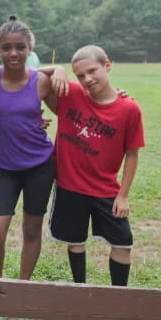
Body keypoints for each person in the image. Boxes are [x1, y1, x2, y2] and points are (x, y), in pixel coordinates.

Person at [46, 45, 144, 286]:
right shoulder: (71, 94)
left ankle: (118, 296)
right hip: (70, 186)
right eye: (80, 75)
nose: (87, 79)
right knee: (75, 241)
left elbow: (132, 155)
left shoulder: (129, 108)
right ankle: (81, 289)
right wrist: (55, 69)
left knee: (123, 243)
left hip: (106, 190)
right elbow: (30, 76)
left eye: (92, 71)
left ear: (107, 65)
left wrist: (123, 196)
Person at [0, 16, 66, 280]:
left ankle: (23, 285)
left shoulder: (41, 81)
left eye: (20, 47)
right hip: (6, 169)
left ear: (30, 49)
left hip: (40, 165)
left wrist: (58, 69)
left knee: (31, 230)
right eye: (6, 47)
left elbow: (67, 111)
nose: (13, 53)